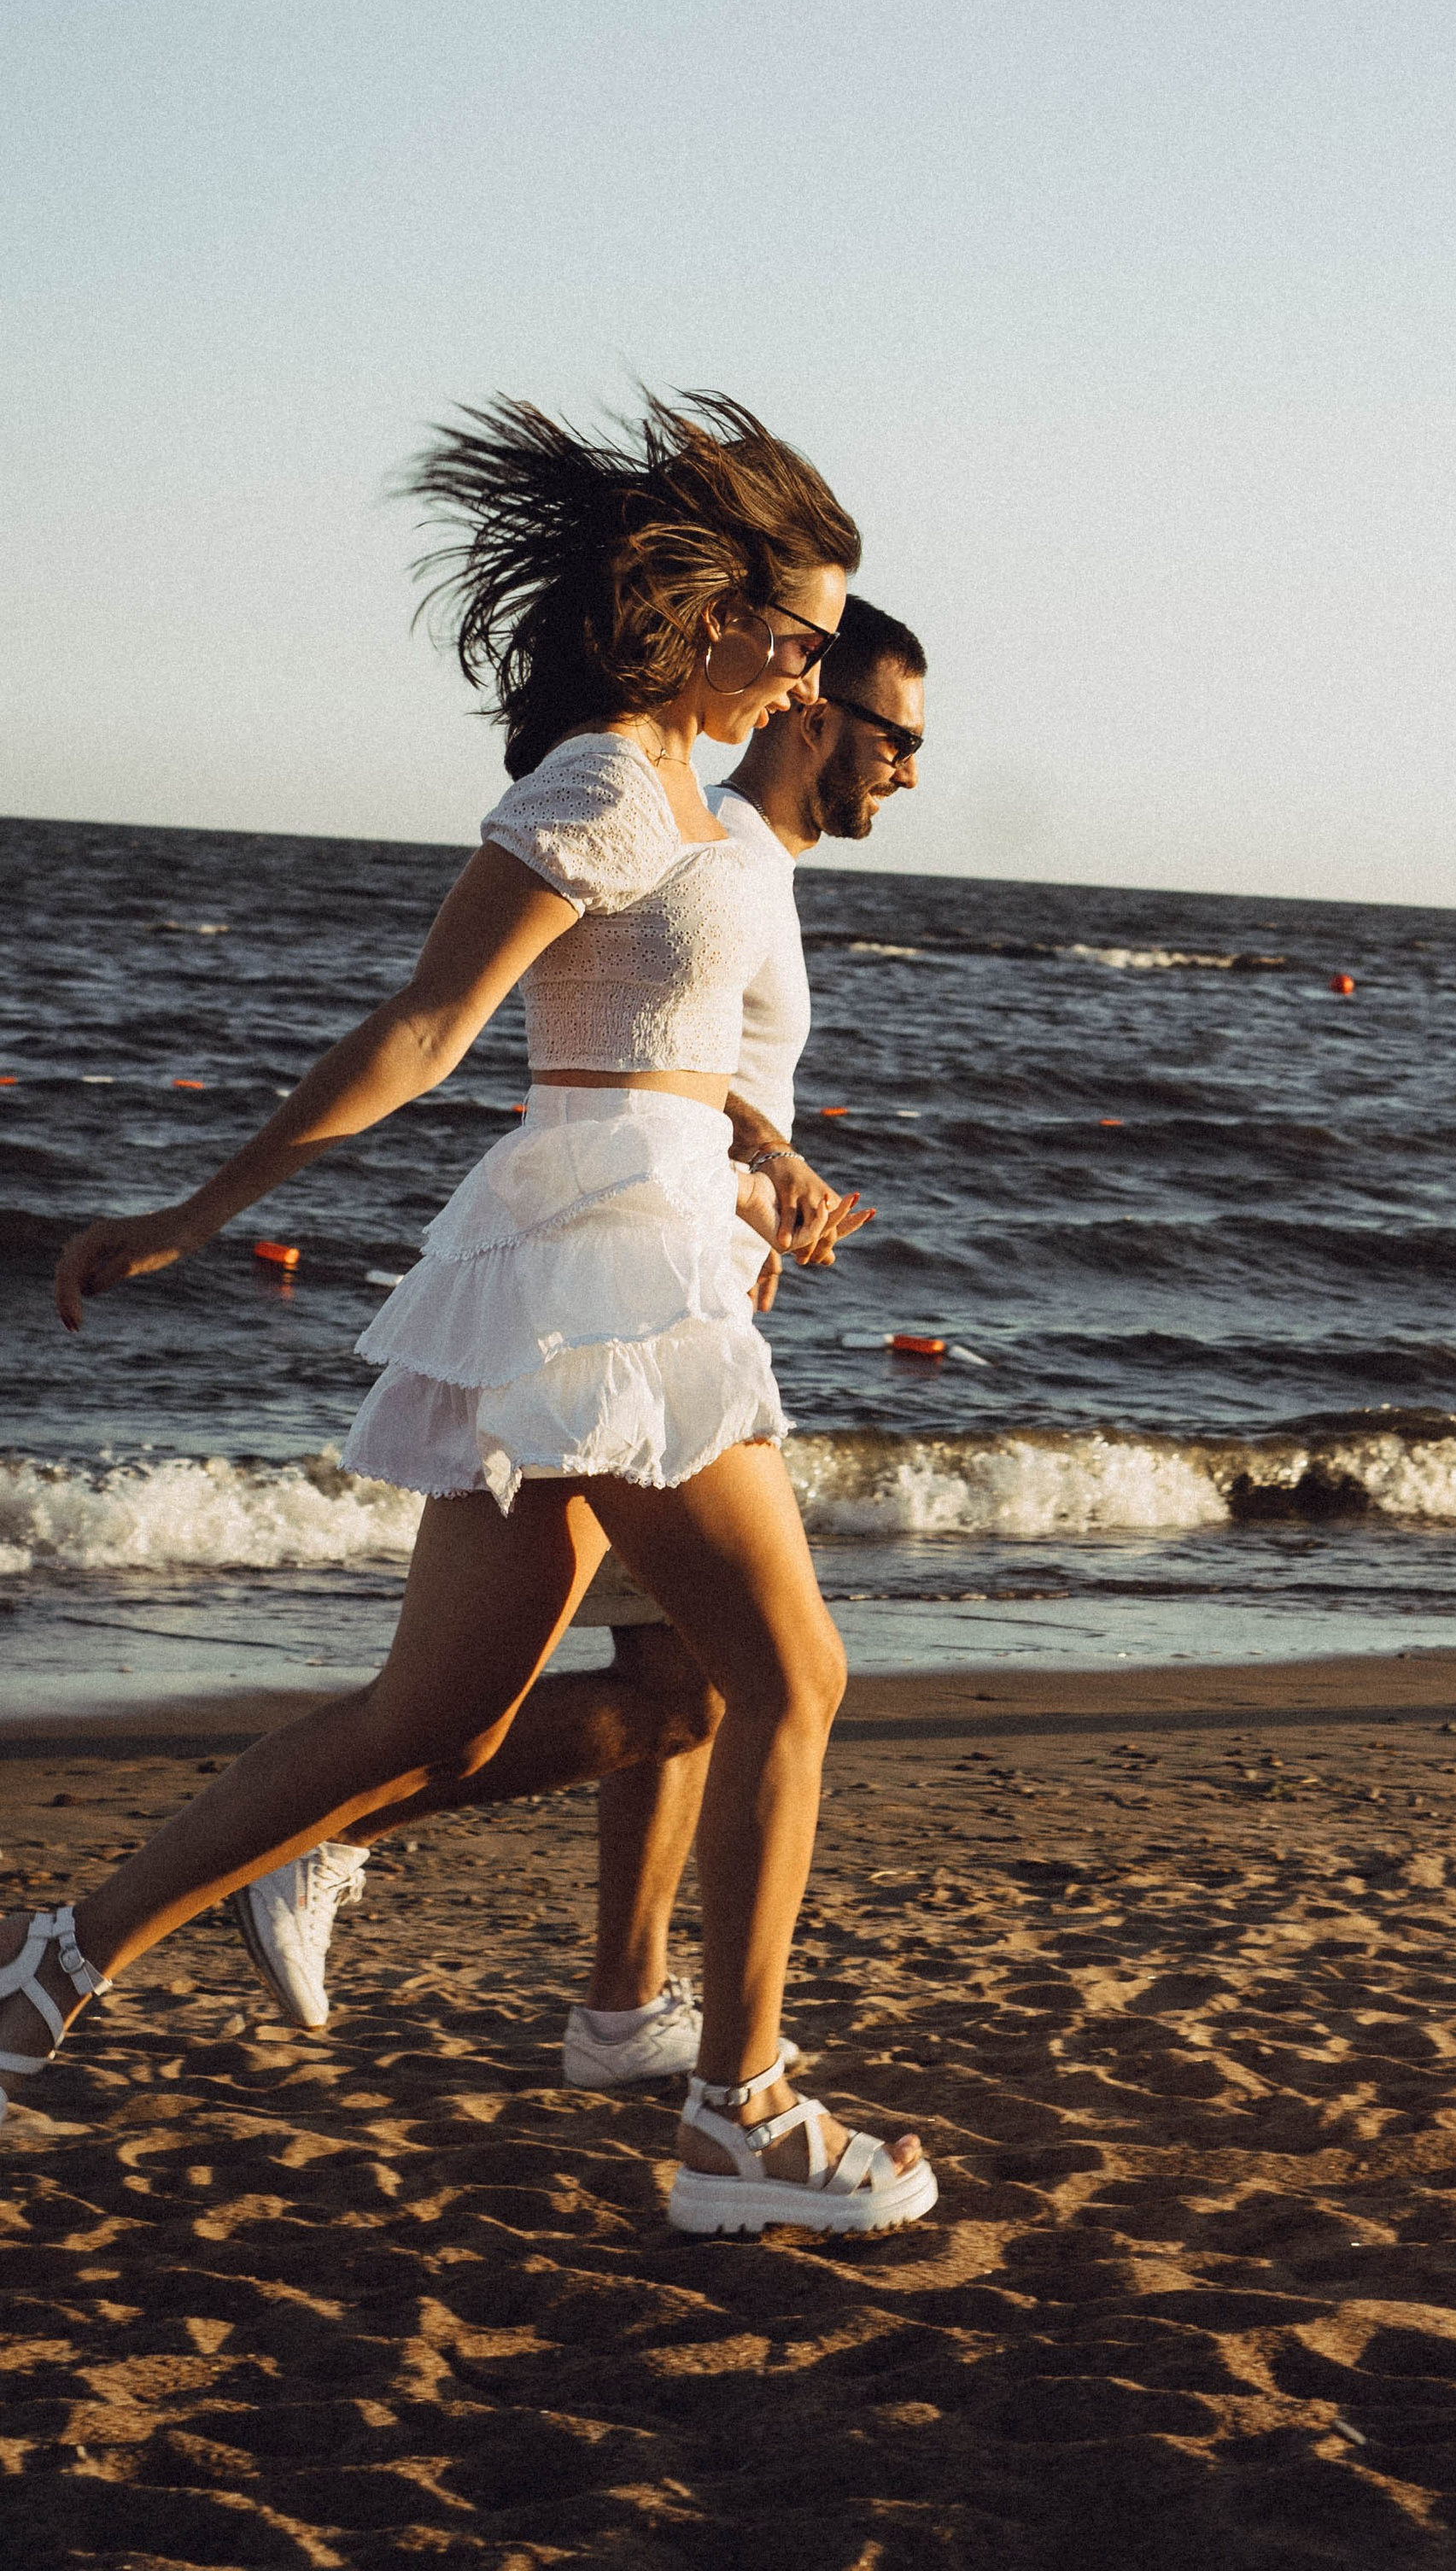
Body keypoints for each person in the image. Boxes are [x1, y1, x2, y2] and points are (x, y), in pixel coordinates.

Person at [3, 392, 936, 2237]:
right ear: (713, 611)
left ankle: (52, 1964)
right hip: (601, 1261)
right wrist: (202, 1207)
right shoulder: (600, 779)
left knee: (429, 1720)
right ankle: (737, 2119)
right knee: (789, 1680)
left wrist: (761, 1155)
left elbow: (656, 1047)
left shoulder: (685, 804)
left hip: (629, 1236)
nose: (812, 678)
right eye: (801, 636)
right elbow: (429, 1032)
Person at [225, 599, 929, 2080]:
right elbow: (619, 1055)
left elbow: (684, 1066)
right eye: (895, 734)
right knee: (693, 1687)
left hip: (679, 1300)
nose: (912, 769)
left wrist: (761, 1199)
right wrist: (749, 1173)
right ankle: (319, 1835)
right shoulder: (718, 841)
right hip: (627, 1309)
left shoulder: (759, 862)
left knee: (679, 1683)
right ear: (817, 713)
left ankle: (617, 2005)